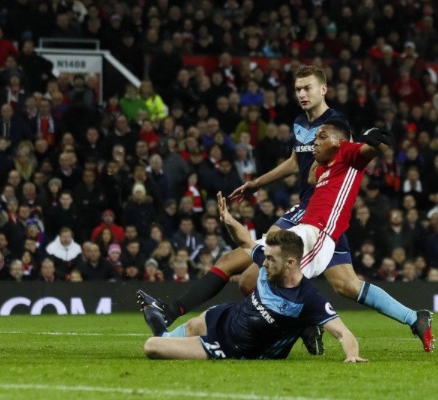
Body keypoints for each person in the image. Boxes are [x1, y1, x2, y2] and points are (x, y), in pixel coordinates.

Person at [137, 65, 433, 354]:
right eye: (298, 89)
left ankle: (175, 312)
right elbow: (294, 162)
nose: (302, 94)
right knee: (346, 284)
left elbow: (350, 165)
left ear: (324, 89)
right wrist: (257, 183)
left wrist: (374, 145)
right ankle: (414, 317)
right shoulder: (299, 124)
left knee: (249, 271)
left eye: (308, 88)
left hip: (315, 213)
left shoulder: (335, 126)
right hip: (317, 215)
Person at [140, 211, 367, 362]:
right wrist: (229, 220)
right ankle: (166, 331)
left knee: (152, 346)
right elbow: (246, 242)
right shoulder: (267, 260)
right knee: (190, 326)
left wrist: (352, 355)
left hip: (230, 347)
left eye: (270, 260)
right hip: (226, 315)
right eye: (265, 257)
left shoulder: (308, 298)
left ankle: (161, 331)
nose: (263, 263)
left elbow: (343, 334)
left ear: (290, 263)